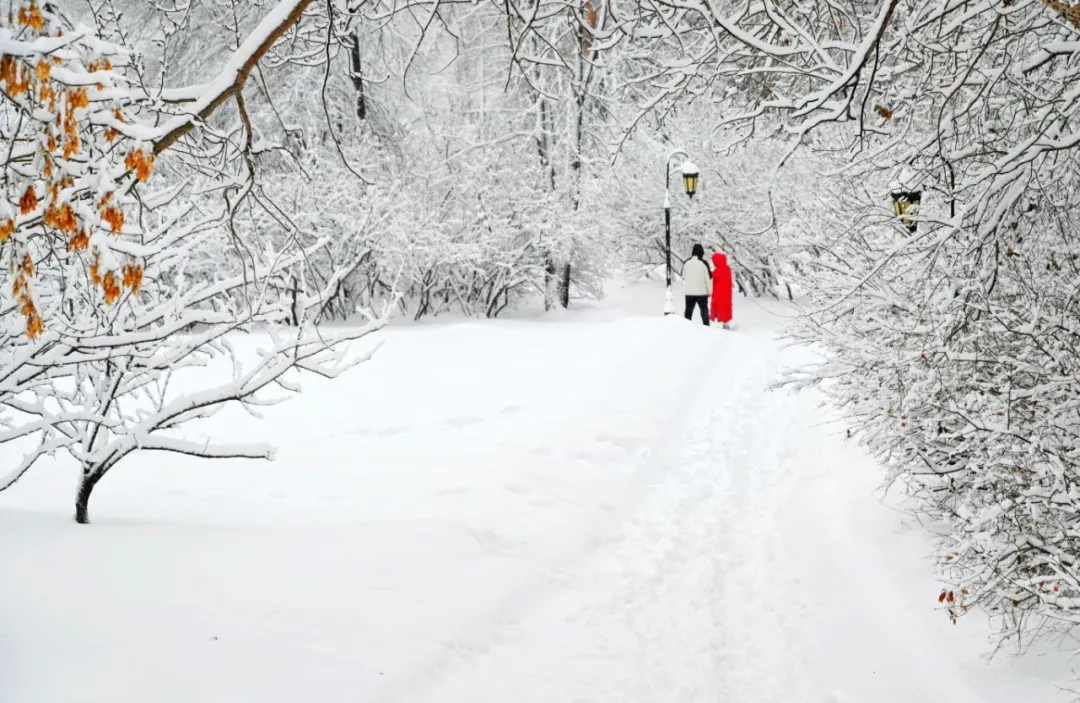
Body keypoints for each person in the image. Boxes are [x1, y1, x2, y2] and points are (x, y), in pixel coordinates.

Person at [681, 243, 711, 325]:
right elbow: (709, 279)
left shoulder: (686, 263)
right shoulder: (704, 263)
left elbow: (683, 276)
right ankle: (707, 328)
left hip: (689, 292)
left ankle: (686, 328)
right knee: (704, 311)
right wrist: (710, 291)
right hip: (702, 292)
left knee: (688, 312)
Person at [710, 252, 733, 328]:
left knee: (721, 309)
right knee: (725, 309)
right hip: (727, 293)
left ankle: (725, 328)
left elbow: (711, 275)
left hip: (720, 294)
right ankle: (726, 324)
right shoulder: (727, 268)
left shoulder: (719, 270)